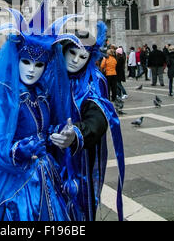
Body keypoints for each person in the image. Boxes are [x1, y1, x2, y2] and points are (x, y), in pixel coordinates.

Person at [0, 0, 78, 221]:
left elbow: (42, 129)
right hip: (9, 182)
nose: (31, 70)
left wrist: (58, 134)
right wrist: (19, 150)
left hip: (45, 174)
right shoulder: (1, 96)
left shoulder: (42, 94)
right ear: (16, 59)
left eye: (38, 65)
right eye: (26, 62)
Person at [49, 24, 125, 221]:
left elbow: (98, 117)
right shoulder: (49, 76)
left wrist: (77, 133)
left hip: (78, 159)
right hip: (47, 154)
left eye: (82, 57)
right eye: (72, 53)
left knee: (77, 208)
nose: (75, 60)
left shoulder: (92, 80)